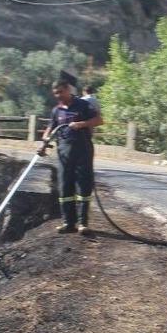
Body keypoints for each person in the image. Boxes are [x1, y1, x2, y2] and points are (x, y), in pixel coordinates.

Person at [38, 79, 103, 234]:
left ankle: (82, 224)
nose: (58, 96)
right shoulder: (57, 110)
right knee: (65, 185)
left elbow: (99, 120)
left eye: (60, 92)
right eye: (55, 94)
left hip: (83, 150)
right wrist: (45, 141)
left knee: (83, 184)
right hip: (64, 152)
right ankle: (68, 223)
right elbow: (51, 128)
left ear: (68, 89)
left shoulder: (83, 105)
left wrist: (81, 124)